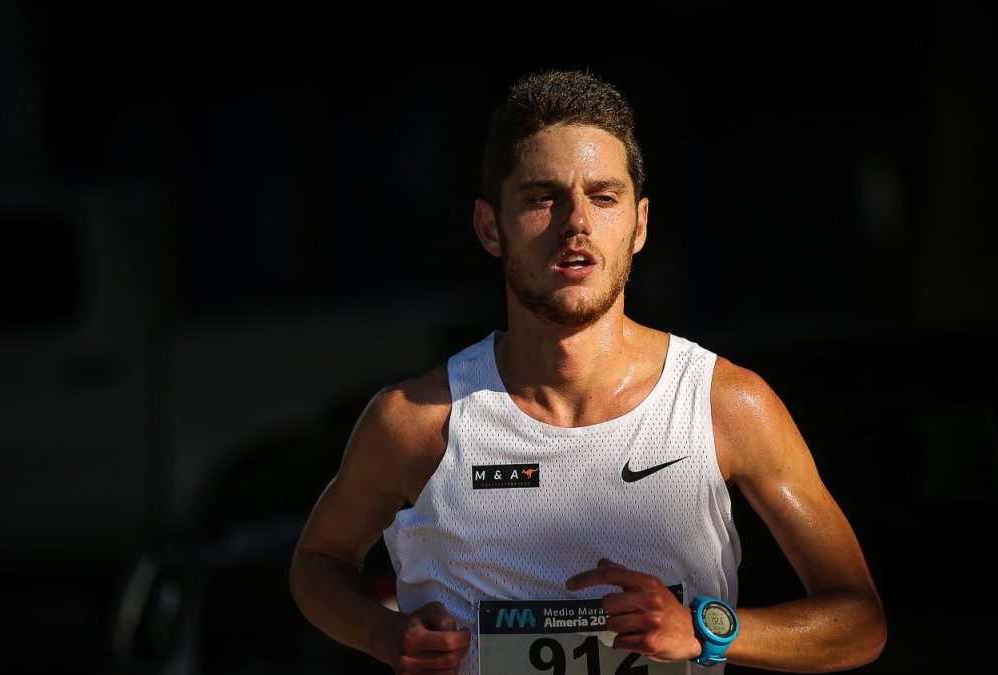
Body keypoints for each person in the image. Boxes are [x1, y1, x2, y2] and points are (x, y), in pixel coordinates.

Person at [289, 68, 886, 674]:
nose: (576, 222)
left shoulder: (724, 404)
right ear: (490, 228)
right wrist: (384, 636)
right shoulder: (417, 421)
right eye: (542, 197)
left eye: (603, 197)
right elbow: (318, 563)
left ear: (640, 224)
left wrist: (709, 629)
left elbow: (859, 621)